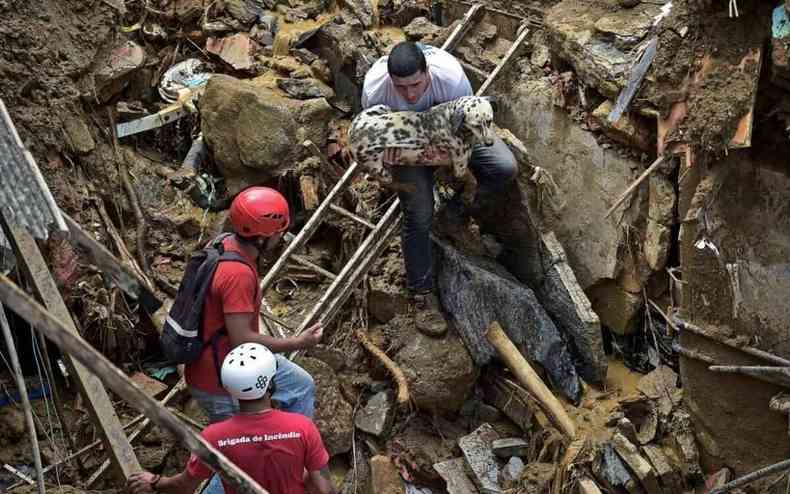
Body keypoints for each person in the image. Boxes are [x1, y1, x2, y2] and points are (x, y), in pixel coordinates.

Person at [358, 41, 518, 335]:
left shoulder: (451, 78)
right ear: (391, 81)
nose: (410, 94)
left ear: (427, 71)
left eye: (417, 84)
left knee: (504, 167)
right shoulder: (375, 87)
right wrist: (388, 153)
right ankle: (421, 291)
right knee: (419, 213)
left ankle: (457, 210)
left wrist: (443, 159)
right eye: (401, 88)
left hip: (452, 135)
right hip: (407, 142)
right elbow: (373, 131)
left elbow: (467, 131)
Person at [185, 186, 322, 424]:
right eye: (278, 232)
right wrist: (297, 342)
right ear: (262, 237)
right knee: (244, 447)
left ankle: (295, 441)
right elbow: (242, 340)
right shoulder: (237, 275)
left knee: (300, 386)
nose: (280, 237)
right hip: (223, 377)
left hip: (230, 360)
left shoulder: (222, 243)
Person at [127, 343, 336, 494]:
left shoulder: (213, 437)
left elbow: (184, 486)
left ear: (229, 389)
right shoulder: (303, 428)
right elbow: (324, 490)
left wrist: (154, 481)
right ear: (271, 384)